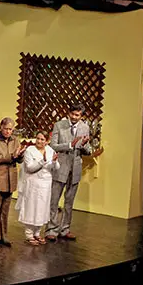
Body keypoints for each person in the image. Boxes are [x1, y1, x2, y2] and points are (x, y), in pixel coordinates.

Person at [45, 102, 92, 242]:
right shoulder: (59, 125)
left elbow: (88, 150)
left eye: (77, 115)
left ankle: (65, 229)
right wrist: (69, 145)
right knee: (54, 200)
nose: (74, 117)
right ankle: (51, 229)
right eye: (72, 114)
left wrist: (84, 146)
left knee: (69, 202)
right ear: (69, 113)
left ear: (81, 116)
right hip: (61, 166)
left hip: (75, 168)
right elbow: (53, 145)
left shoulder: (85, 127)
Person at [0, 118, 26, 248]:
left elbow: (19, 160)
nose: (8, 131)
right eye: (6, 129)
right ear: (1, 127)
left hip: (10, 179)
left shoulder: (15, 140)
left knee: (5, 211)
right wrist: (12, 156)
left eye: (10, 129)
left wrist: (20, 155)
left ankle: (3, 236)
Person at [17, 131, 60, 246]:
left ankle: (37, 233)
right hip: (33, 183)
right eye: (38, 138)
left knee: (42, 208)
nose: (39, 141)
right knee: (31, 208)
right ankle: (29, 234)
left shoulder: (50, 150)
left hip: (45, 184)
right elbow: (30, 168)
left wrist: (54, 162)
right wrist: (42, 161)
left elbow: (56, 167)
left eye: (42, 139)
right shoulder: (30, 150)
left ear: (47, 141)